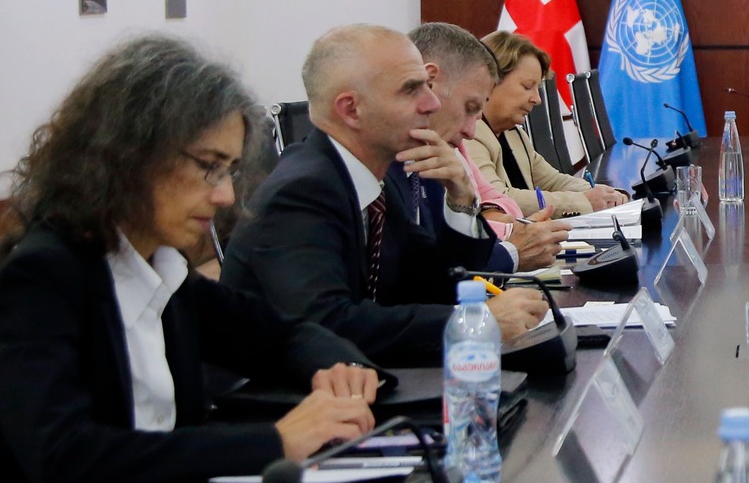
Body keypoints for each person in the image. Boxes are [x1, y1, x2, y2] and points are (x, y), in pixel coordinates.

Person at [0, 36, 381, 483]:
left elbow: (280, 333)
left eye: (229, 170)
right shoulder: (46, 275)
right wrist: (276, 441)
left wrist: (338, 368)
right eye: (209, 167)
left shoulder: (160, 270)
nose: (224, 195)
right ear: (131, 156)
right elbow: (66, 458)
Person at [222, 24, 548, 365]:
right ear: (351, 110)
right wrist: (472, 322)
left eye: (427, 86)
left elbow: (434, 286)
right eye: (411, 89)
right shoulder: (302, 192)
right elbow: (326, 326)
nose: (432, 102)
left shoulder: (375, 184)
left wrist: (462, 200)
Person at [407, 23, 568, 272]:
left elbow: (442, 270)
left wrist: (468, 206)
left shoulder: (440, 151)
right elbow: (426, 272)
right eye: (470, 107)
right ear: (429, 82)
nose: (470, 132)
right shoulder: (400, 163)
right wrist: (511, 248)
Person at [469, 30, 628, 216]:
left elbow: (552, 181)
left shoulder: (513, 133)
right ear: (491, 80)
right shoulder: (468, 135)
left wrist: (604, 194)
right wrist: (583, 201)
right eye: (528, 87)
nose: (537, 99)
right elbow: (500, 200)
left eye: (537, 88)